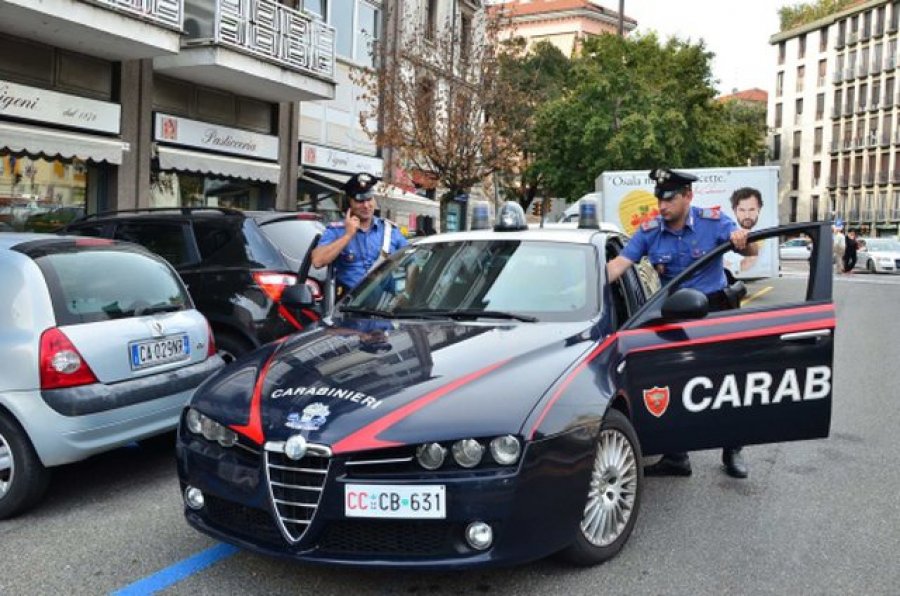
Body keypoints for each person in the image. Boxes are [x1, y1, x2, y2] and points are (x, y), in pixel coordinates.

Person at [606, 167, 756, 479]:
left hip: (714, 311)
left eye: (669, 199)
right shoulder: (650, 230)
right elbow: (618, 265)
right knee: (672, 382)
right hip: (675, 313)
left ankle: (732, 450)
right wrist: (578, 285)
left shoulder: (713, 222)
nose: (662, 206)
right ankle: (676, 457)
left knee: (726, 383)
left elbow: (751, 247)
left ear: (688, 196)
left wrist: (743, 239)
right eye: (659, 199)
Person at [311, 173, 408, 295]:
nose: (366, 205)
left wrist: (408, 293)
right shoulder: (336, 231)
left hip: (384, 303)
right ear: (349, 203)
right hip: (350, 302)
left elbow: (413, 262)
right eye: (360, 201)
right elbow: (318, 261)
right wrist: (348, 235)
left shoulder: (390, 230)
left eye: (369, 199)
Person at [725, 187, 764, 274]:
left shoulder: (765, 234)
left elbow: (750, 260)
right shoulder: (725, 230)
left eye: (751, 209)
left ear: (759, 209)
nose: (747, 215)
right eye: (742, 210)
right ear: (734, 211)